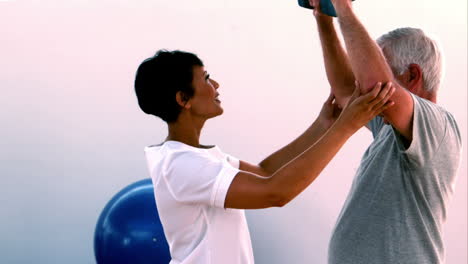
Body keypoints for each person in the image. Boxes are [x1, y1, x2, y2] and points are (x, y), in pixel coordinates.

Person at [134, 49, 394, 264]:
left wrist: (324, 124)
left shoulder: (195, 158)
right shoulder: (182, 165)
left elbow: (264, 172)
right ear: (183, 98)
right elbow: (275, 192)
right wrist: (346, 126)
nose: (215, 85)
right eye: (206, 78)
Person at [309, 0, 463, 263]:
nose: (364, 85)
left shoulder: (438, 126)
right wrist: (323, 18)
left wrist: (342, 6)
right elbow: (347, 92)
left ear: (412, 76)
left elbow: (374, 84)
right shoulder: (390, 128)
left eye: (381, 68)